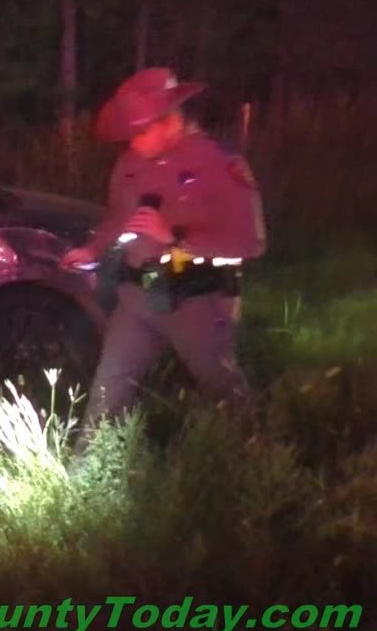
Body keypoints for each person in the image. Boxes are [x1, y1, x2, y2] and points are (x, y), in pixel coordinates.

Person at [62, 67, 267, 450]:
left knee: (221, 384)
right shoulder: (130, 163)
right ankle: (84, 477)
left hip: (197, 301)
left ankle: (255, 457)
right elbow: (117, 218)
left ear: (169, 120)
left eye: (139, 132)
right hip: (139, 297)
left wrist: (173, 235)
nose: (133, 143)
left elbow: (249, 241)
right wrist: (91, 250)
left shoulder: (218, 162)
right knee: (110, 387)